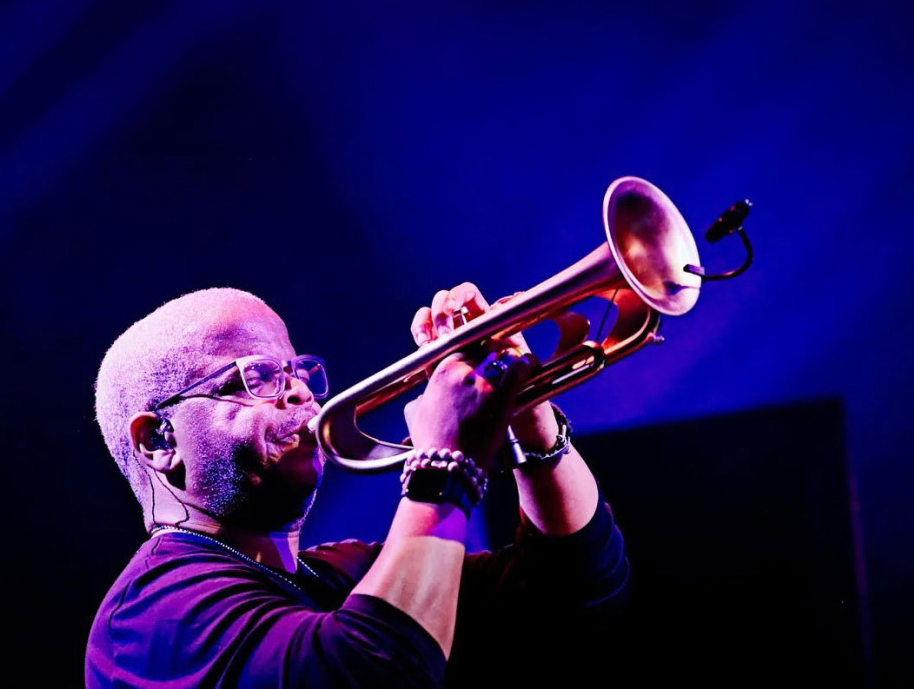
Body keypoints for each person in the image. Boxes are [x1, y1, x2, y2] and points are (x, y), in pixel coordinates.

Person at [87, 284, 628, 687]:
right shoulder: (148, 614)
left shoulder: (344, 571)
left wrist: (527, 414)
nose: (299, 392)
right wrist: (444, 462)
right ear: (159, 439)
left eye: (296, 371)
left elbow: (575, 591)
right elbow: (372, 670)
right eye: (255, 377)